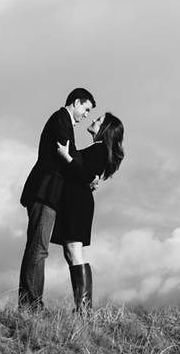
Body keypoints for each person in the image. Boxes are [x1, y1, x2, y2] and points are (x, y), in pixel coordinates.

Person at [18, 88, 96, 309]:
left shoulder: (64, 121)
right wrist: (89, 175)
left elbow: (71, 156)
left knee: (38, 247)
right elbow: (67, 157)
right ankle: (30, 306)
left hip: (48, 193)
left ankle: (29, 304)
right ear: (77, 102)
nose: (86, 115)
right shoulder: (61, 117)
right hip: (45, 191)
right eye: (86, 109)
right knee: (38, 248)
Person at [51, 111, 125, 311]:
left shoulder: (100, 149)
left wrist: (66, 157)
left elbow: (85, 174)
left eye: (99, 120)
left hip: (77, 202)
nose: (94, 119)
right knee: (70, 252)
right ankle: (82, 307)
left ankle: (84, 309)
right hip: (74, 200)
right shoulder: (98, 149)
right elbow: (90, 175)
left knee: (74, 251)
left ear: (105, 129)